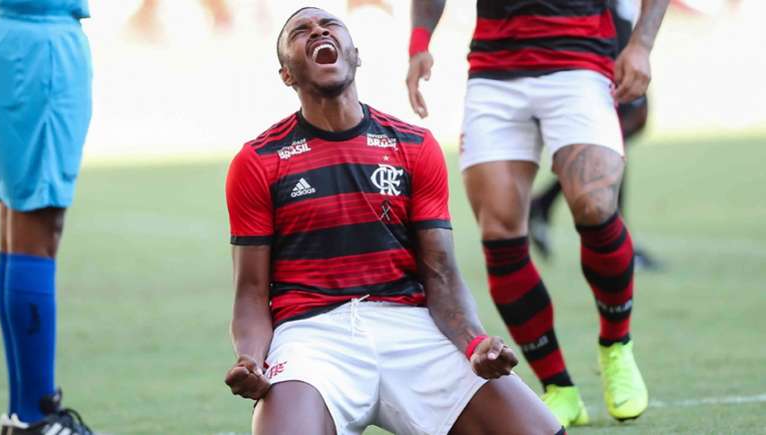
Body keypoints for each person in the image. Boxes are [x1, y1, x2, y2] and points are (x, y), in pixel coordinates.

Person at [223, 7, 563, 435]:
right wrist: (251, 359)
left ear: (355, 55)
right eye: (300, 31)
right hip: (312, 337)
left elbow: (440, 273)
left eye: (329, 26)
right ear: (286, 75)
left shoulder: (414, 146)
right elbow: (251, 292)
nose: (317, 32)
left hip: (410, 328)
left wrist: (474, 342)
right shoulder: (258, 161)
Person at [406, 0, 669, 427]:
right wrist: (419, 44)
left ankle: (616, 345)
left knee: (595, 205)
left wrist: (640, 44)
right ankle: (558, 387)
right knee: (499, 232)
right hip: (494, 75)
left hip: (582, 65)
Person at [0, 0, 94, 434]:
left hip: (12, 33)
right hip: (40, 42)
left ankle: (25, 415)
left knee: (17, 222)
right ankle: (36, 418)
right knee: (36, 222)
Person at [528, 0, 663, 271]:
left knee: (621, 132)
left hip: (617, 30)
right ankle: (619, 244)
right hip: (602, 36)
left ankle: (544, 204)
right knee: (614, 135)